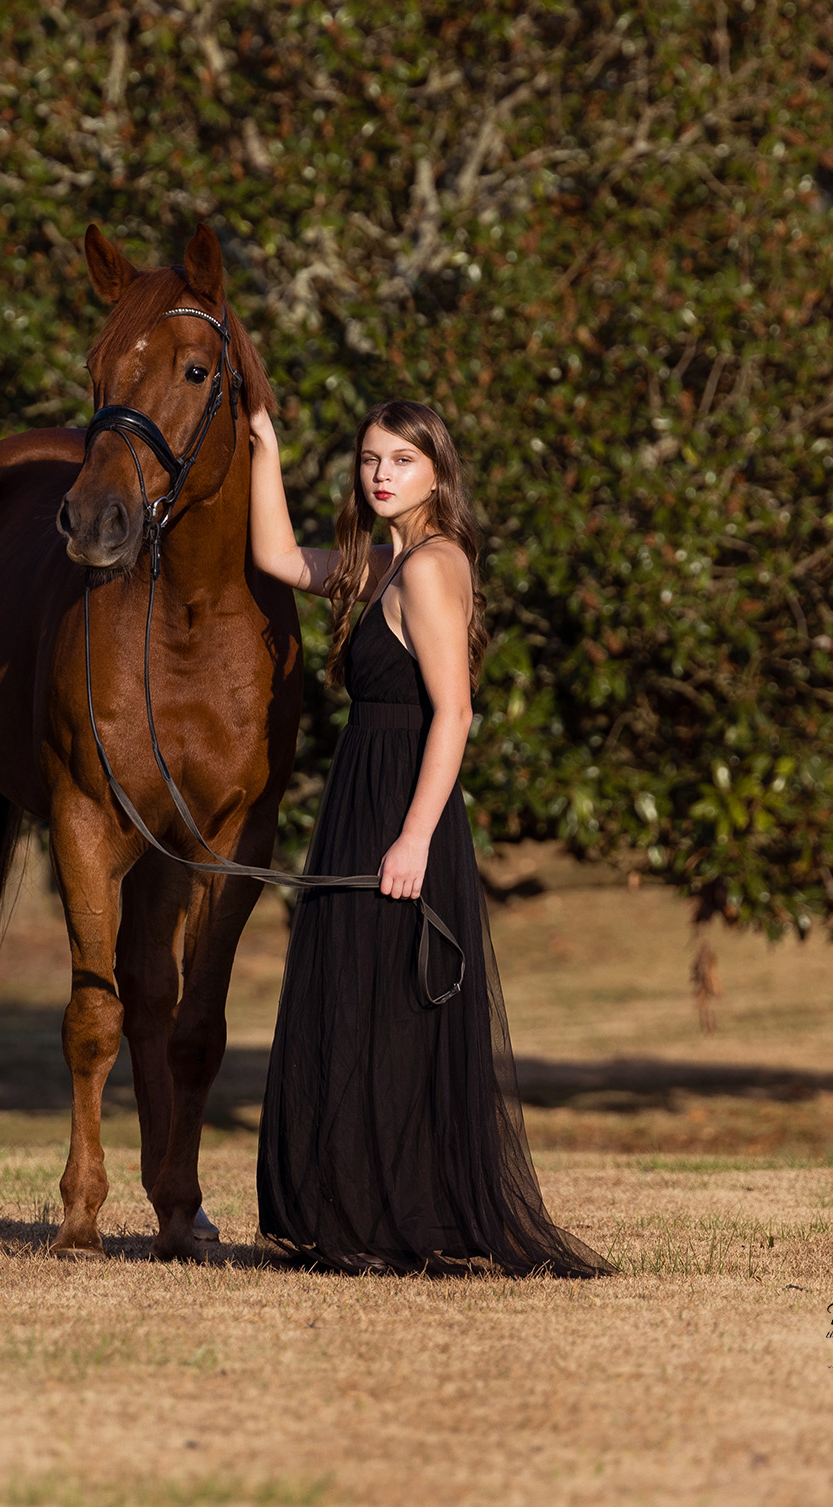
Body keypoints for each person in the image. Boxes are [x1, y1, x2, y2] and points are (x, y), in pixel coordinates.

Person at [246, 399, 615, 1279]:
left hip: (402, 811)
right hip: (359, 802)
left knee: (392, 1015)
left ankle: (398, 1215)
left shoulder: (431, 567)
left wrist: (412, 838)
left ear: (438, 473)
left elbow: (455, 712)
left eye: (402, 461)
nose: (381, 475)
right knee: (353, 1006)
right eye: (371, 459)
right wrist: (264, 445)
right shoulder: (383, 562)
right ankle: (354, 1213)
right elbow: (275, 557)